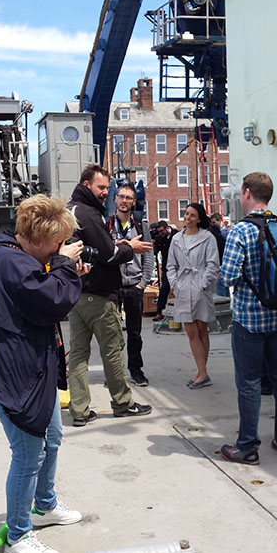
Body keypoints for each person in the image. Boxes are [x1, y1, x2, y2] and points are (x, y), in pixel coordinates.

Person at [0, 195, 85, 553]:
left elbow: (39, 295)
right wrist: (63, 267)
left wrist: (59, 268)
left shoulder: (10, 257)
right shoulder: (9, 261)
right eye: (57, 243)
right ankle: (19, 537)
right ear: (41, 238)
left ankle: (44, 504)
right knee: (29, 454)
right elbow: (51, 300)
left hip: (25, 370)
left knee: (52, 437)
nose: (60, 248)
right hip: (11, 377)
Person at [219, 172, 277, 464]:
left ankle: (248, 446)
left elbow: (228, 276)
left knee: (249, 382)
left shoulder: (241, 230)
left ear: (247, 192)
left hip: (250, 321)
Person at [67, 165, 153, 426]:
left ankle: (79, 410)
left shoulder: (69, 210)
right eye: (101, 187)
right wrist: (131, 248)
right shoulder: (89, 215)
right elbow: (109, 254)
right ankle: (123, 403)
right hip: (100, 296)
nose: (106, 192)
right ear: (86, 184)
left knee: (79, 355)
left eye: (107, 188)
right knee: (113, 350)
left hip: (75, 295)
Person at [166, 203, 219, 388]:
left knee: (202, 328)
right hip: (182, 287)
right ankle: (202, 372)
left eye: (192, 215)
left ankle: (202, 373)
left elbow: (213, 265)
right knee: (191, 331)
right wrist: (175, 284)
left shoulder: (208, 238)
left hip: (200, 287)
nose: (188, 217)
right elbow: (170, 265)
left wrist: (203, 284)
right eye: (186, 213)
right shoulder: (176, 239)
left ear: (199, 218)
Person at [108, 184, 153, 386]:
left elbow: (149, 257)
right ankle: (114, 375)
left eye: (129, 198)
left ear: (134, 201)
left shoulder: (141, 226)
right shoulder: (107, 225)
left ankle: (136, 371)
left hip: (134, 286)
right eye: (122, 197)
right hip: (114, 287)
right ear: (116, 199)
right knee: (112, 334)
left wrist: (142, 284)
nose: (125, 201)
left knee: (135, 333)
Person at [152, 220, 178, 320]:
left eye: (162, 231)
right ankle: (159, 311)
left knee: (179, 290)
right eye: (158, 232)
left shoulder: (176, 235)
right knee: (164, 289)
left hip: (178, 267)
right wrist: (153, 245)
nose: (160, 233)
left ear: (167, 228)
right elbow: (155, 252)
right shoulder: (159, 238)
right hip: (167, 267)